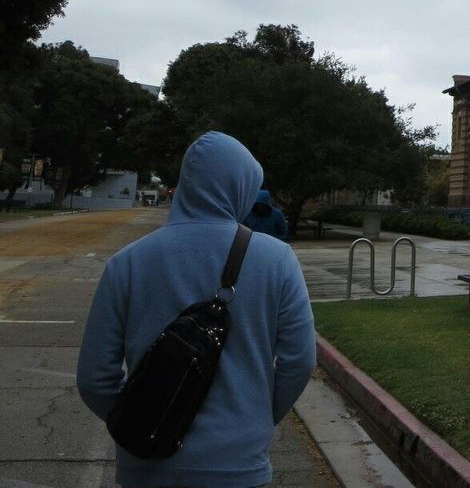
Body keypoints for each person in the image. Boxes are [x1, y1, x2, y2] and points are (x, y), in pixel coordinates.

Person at [77, 131, 315, 488]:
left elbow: (94, 379)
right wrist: (257, 420)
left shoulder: (126, 263)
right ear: (242, 187)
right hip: (239, 465)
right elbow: (300, 361)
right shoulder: (277, 260)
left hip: (146, 468)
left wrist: (140, 424)